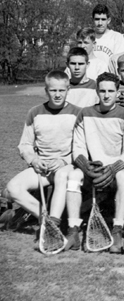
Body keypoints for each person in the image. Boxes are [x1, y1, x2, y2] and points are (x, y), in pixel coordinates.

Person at [5, 71, 81, 246]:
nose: (57, 94)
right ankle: (45, 219)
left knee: (62, 175)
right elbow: (24, 145)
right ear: (46, 90)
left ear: (68, 89)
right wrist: (34, 160)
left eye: (61, 90)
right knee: (12, 188)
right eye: (53, 90)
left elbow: (81, 147)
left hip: (66, 166)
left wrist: (64, 161)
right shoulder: (35, 112)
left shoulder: (77, 113)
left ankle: (52, 224)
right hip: (42, 167)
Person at [66, 72, 124, 253]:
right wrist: (86, 166)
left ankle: (117, 230)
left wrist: (112, 169)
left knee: (123, 176)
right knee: (73, 175)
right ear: (97, 91)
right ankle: (73, 230)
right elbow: (78, 148)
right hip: (93, 169)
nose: (106, 95)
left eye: (110, 91)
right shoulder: (85, 113)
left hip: (114, 170)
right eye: (102, 90)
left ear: (117, 92)